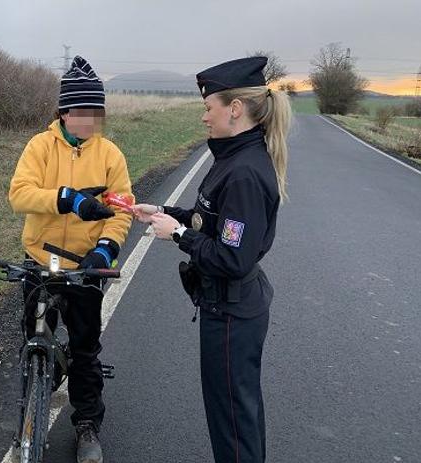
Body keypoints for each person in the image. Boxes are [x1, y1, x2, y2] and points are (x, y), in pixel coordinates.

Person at [133, 56, 291, 463]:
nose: (204, 117)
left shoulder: (243, 172)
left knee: (233, 424)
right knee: (236, 414)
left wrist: (179, 235)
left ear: (234, 109)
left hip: (232, 314)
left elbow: (232, 258)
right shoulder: (234, 158)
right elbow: (213, 220)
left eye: (209, 107)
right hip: (227, 306)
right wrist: (166, 212)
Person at [8, 56, 133, 463]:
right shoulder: (39, 147)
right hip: (40, 261)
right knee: (34, 341)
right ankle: (30, 414)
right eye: (82, 112)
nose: (91, 121)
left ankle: (87, 424)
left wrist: (105, 250)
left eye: (97, 113)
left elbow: (122, 211)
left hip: (86, 267)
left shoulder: (110, 154)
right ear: (63, 111)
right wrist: (66, 199)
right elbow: (19, 194)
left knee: (84, 350)